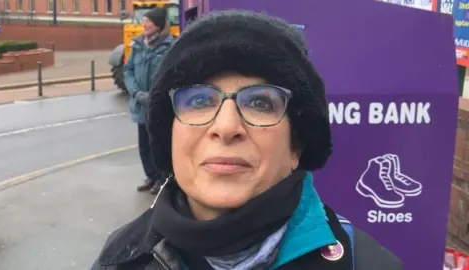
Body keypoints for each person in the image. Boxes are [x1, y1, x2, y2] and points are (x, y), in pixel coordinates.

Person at [92, 10, 403, 270]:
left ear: (296, 146)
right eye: (200, 101)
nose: (226, 127)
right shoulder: (121, 259)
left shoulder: (367, 263)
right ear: (169, 134)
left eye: (260, 103)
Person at [124, 7, 175, 194]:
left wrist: (154, 95)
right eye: (144, 21)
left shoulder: (169, 46)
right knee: (144, 144)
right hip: (139, 103)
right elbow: (128, 71)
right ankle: (151, 176)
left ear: (159, 26)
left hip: (158, 104)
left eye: (149, 22)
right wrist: (136, 92)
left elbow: (169, 75)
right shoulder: (137, 45)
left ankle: (162, 178)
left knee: (158, 143)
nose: (144, 25)